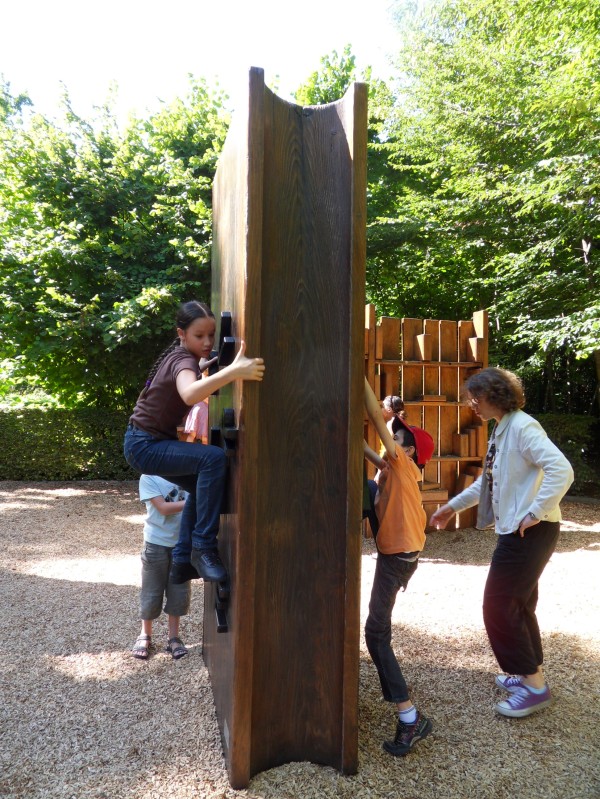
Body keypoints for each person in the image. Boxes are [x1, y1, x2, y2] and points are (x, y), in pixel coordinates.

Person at [430, 367, 574, 718]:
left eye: (474, 398)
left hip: (531, 531)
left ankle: (535, 688)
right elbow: (489, 482)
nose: (471, 404)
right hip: (520, 531)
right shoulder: (502, 429)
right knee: (518, 605)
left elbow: (562, 470)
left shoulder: (523, 427)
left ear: (492, 395)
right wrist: (451, 507)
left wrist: (536, 511)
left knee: (498, 606)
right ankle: (529, 676)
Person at [124, 301, 265, 585]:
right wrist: (233, 372)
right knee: (212, 459)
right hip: (145, 445)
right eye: (199, 336)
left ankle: (182, 560)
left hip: (141, 442)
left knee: (204, 486)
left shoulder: (182, 358)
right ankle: (203, 547)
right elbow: (189, 393)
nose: (207, 342)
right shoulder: (183, 361)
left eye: (211, 335)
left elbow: (188, 376)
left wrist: (207, 366)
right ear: (182, 334)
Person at [363, 378, 435, 756]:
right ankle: (407, 713)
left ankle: (410, 717)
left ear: (407, 450)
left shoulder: (403, 465)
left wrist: (360, 383)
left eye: (397, 438)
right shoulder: (393, 468)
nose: (390, 438)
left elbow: (378, 421)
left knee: (376, 634)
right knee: (369, 487)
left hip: (397, 559)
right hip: (401, 555)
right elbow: (373, 454)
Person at [132, 475, 191, 661]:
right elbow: (163, 508)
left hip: (182, 543)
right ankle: (145, 635)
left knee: (179, 592)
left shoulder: (186, 472)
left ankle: (174, 638)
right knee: (151, 592)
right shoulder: (148, 477)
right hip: (155, 544)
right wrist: (196, 502)